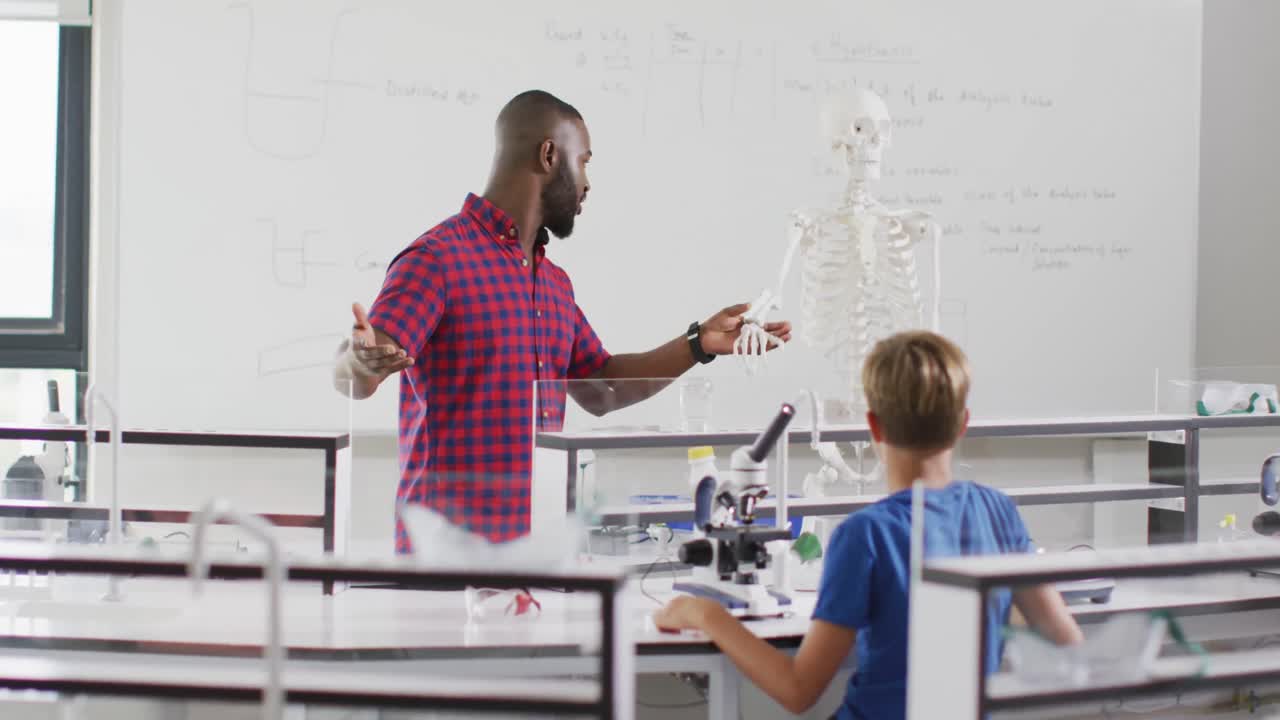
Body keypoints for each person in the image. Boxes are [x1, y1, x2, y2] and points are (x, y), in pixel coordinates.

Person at [333, 89, 790, 550]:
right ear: (549, 154)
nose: (588, 182)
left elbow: (602, 388)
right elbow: (360, 369)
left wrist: (699, 344)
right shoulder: (437, 259)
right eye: (584, 161)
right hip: (448, 569)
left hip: (539, 558)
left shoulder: (553, 283)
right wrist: (357, 362)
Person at [654, 330, 1082, 719]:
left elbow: (798, 689)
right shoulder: (998, 512)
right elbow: (1066, 642)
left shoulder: (866, 536)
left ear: (873, 425)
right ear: (963, 423)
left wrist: (708, 615)